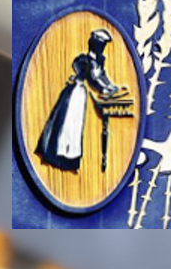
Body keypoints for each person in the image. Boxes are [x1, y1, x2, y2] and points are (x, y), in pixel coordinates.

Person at [34, 28, 132, 174]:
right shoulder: (85, 60)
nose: (102, 48)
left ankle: (70, 161)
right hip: (75, 94)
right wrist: (105, 89)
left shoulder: (97, 61)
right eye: (101, 45)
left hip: (80, 95)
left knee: (75, 128)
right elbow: (94, 79)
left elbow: (102, 77)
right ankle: (60, 159)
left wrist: (111, 87)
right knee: (68, 126)